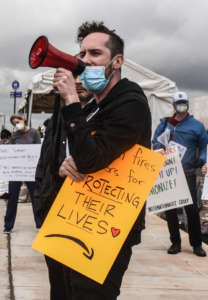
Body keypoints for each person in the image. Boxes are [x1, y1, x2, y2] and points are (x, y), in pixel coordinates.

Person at [51, 21, 152, 299]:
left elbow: (91, 159)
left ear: (117, 61)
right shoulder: (97, 105)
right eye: (82, 54)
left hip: (109, 227)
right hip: (82, 220)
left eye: (95, 54)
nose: (85, 61)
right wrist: (66, 164)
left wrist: (71, 98)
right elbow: (87, 153)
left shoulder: (130, 102)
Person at [33, 73, 93, 300]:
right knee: (58, 283)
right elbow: (45, 163)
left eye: (84, 76)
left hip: (93, 215)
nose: (77, 82)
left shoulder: (106, 116)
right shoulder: (58, 119)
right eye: (73, 77)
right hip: (58, 209)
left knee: (84, 286)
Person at [152, 91, 207, 257]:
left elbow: (204, 146)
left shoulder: (196, 126)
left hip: (189, 173)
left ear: (187, 104)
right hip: (169, 173)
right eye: (178, 103)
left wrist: (203, 160)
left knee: (191, 210)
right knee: (170, 209)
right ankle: (175, 242)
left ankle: (196, 244)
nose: (181, 105)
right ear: (173, 105)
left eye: (184, 102)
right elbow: (155, 142)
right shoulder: (165, 124)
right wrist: (159, 150)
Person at [3, 114, 41, 233]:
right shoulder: (15, 135)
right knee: (12, 198)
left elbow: (38, 150)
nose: (16, 124)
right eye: (14, 123)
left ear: (24, 119)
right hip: (17, 170)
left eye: (18, 121)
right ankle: (8, 225)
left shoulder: (34, 133)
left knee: (35, 198)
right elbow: (9, 150)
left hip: (31, 171)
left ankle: (40, 223)